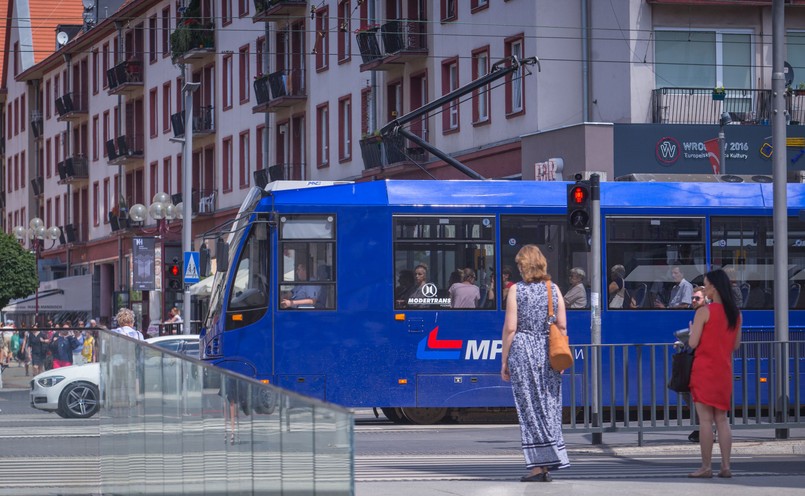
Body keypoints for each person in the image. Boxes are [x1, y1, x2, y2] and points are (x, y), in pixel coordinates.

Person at [500, 245, 570, 482]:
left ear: (523, 266)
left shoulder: (516, 290)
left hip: (523, 352)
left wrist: (504, 360)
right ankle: (550, 459)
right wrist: (560, 356)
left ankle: (538, 468)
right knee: (550, 405)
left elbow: (511, 328)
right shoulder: (554, 289)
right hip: (548, 351)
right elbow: (562, 326)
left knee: (529, 409)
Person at [687, 268, 742, 479]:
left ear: (714, 287)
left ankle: (706, 466)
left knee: (705, 421)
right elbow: (735, 346)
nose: (704, 288)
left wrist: (692, 331)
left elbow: (693, 343)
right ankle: (726, 466)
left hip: (704, 370)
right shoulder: (736, 314)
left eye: (706, 284)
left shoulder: (703, 312)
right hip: (723, 371)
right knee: (722, 419)